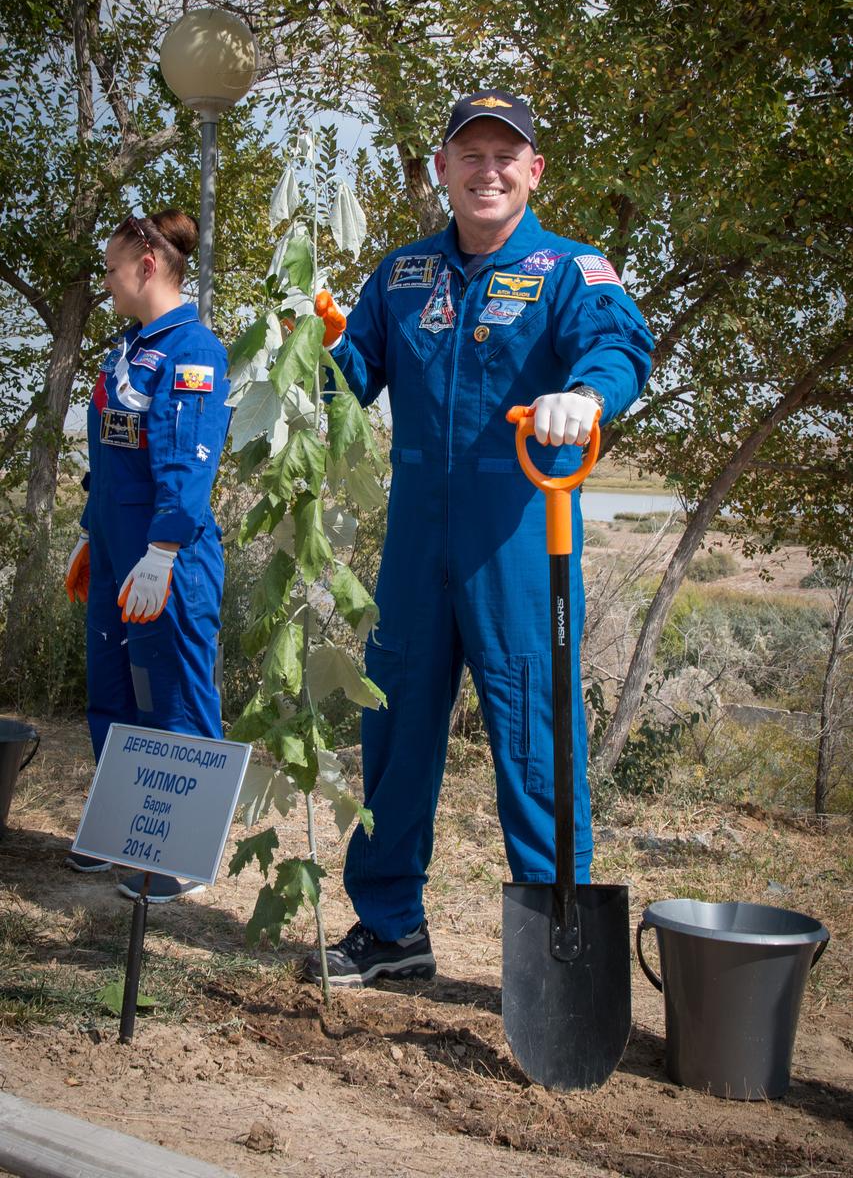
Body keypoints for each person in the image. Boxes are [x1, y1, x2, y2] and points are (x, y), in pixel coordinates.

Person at [303, 89, 654, 986]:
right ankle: (390, 931)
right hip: (415, 544)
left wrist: (587, 396)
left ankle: (556, 953)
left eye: (506, 156)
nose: (487, 170)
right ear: (442, 170)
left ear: (533, 171)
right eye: (470, 154)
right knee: (395, 737)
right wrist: (310, 352)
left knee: (536, 742)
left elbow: (616, 351)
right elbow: (348, 389)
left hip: (519, 546)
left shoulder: (573, 270)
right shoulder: (401, 275)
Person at [64, 209, 231, 903]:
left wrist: (162, 550)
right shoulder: (127, 348)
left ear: (147, 266)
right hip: (112, 547)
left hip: (167, 555)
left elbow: (186, 465)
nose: (105, 282)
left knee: (174, 693)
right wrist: (88, 528)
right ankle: (125, 830)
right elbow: (112, 455)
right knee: (110, 689)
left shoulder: (192, 350)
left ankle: (182, 854)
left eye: (109, 268)